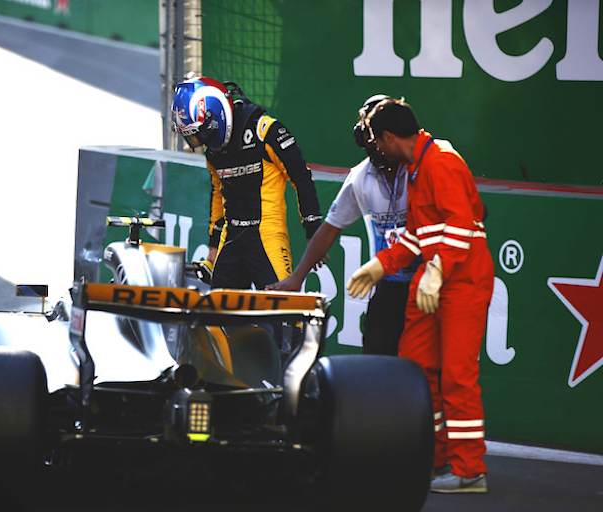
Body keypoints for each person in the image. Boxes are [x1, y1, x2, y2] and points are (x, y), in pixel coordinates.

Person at [346, 98, 494, 493]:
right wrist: (381, 264)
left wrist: (437, 270)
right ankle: (433, 457)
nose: (375, 148)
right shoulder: (418, 167)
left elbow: (462, 225)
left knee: (457, 376)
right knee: (416, 369)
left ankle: (469, 470)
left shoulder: (441, 160)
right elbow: (417, 235)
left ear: (390, 137)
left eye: (377, 140)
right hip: (434, 278)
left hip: (461, 279)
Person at [267, 94, 419, 356]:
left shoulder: (422, 166)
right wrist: (297, 277)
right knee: (377, 358)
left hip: (425, 283)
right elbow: (330, 228)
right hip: (388, 285)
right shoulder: (361, 177)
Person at [171, 77, 322, 289]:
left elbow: (301, 177)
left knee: (283, 309)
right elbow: (217, 195)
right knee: (218, 314)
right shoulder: (213, 150)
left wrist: (313, 231)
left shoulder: (265, 130)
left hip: (267, 233)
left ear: (216, 114)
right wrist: (213, 249)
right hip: (231, 235)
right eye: (193, 137)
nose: (200, 141)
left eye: (199, 134)